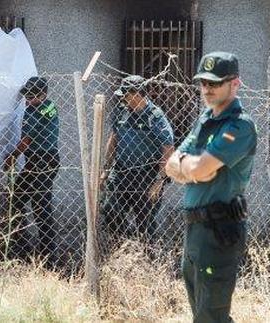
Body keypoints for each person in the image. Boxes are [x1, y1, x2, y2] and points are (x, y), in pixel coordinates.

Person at [165, 52, 256, 322]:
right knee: (202, 314)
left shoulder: (239, 126)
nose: (207, 88)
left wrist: (191, 168)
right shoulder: (205, 119)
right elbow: (170, 164)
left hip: (218, 231)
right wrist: (188, 166)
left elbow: (200, 169)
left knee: (211, 317)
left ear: (235, 84)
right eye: (203, 82)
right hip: (195, 231)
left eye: (215, 83)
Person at [100, 75, 174, 247]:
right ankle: (123, 248)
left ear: (137, 94)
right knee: (111, 210)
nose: (122, 98)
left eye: (125, 94)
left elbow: (168, 149)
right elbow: (114, 139)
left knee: (145, 221)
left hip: (147, 176)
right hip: (121, 172)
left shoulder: (155, 117)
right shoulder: (122, 111)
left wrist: (159, 181)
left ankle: (145, 256)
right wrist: (106, 169)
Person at [4, 76, 60, 267]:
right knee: (18, 197)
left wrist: (10, 158)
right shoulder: (50, 105)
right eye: (27, 95)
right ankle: (23, 241)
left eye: (32, 95)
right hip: (43, 160)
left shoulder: (34, 112)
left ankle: (47, 254)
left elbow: (26, 141)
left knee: (40, 206)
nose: (28, 99)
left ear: (43, 94)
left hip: (41, 161)